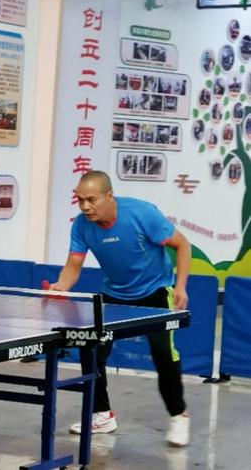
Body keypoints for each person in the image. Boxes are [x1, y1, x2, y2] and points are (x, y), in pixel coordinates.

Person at [49, 170, 191, 447]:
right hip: (114, 292)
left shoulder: (142, 214)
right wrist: (61, 286)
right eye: (80, 200)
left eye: (91, 199)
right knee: (89, 347)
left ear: (109, 195)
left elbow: (182, 245)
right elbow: (73, 265)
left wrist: (181, 286)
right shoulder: (81, 226)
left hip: (155, 291)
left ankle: (179, 415)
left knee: (164, 352)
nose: (85, 206)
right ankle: (102, 414)